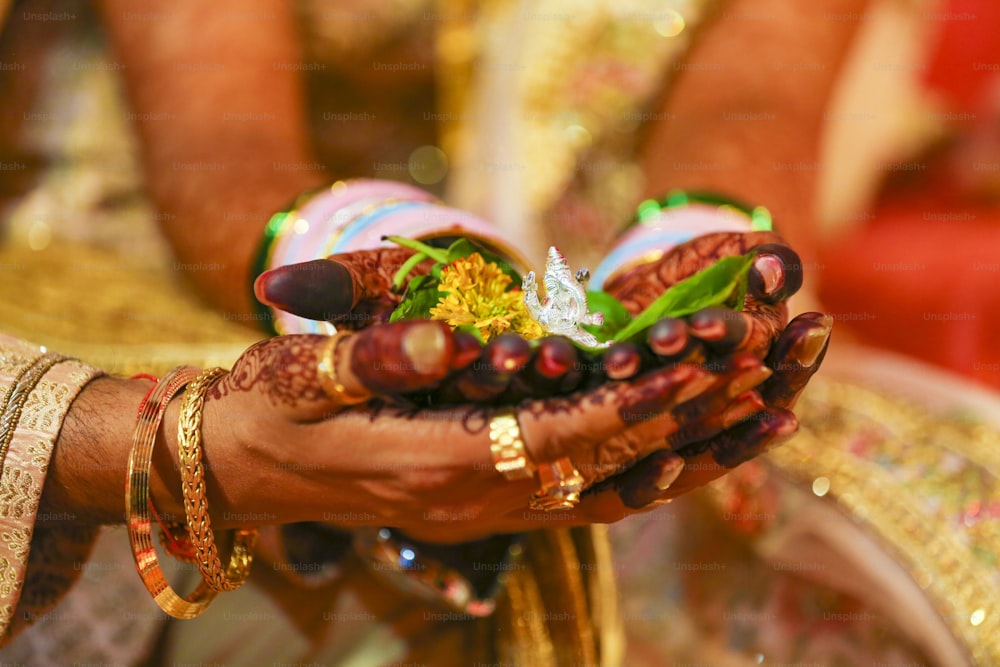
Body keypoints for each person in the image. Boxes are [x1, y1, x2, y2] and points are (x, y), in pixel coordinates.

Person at [0, 0, 993, 665]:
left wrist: (706, 251)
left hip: (585, 268)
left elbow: (754, 97)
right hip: (175, 256)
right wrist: (373, 252)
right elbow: (221, 148)